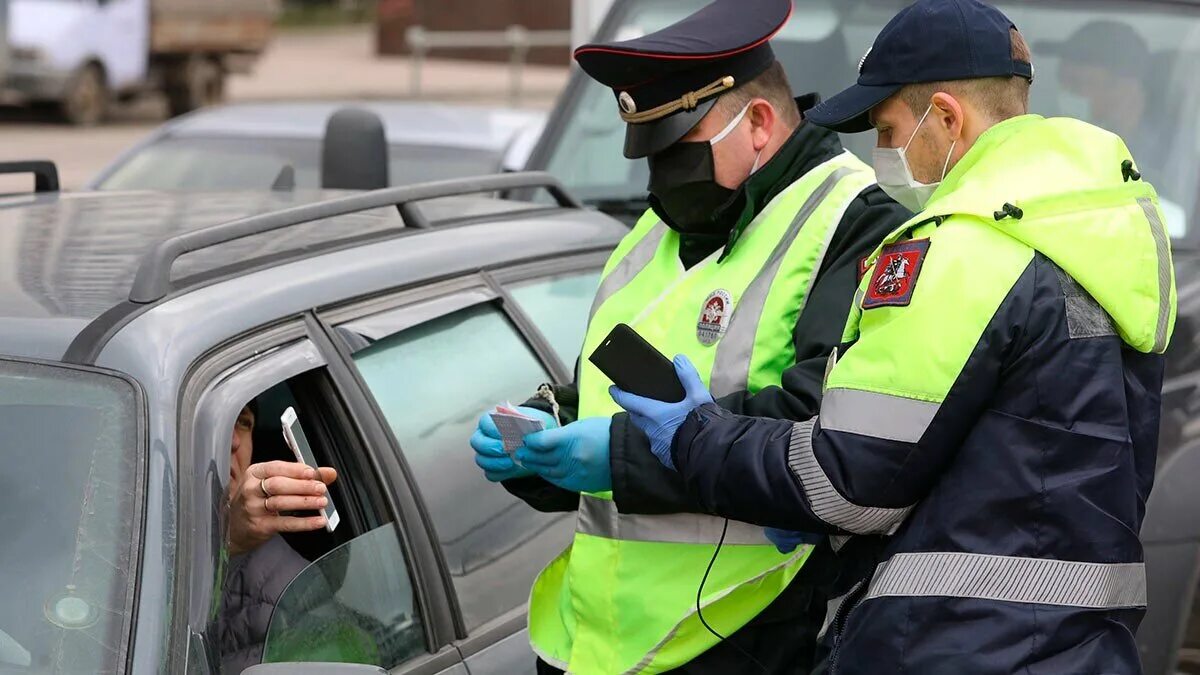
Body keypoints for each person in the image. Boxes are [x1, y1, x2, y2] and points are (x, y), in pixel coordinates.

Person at [612, 0, 1177, 673]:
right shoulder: (1097, 233)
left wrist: (692, 434)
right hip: (1078, 648)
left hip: (952, 647)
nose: (881, 152)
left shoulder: (965, 249)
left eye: (886, 129)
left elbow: (844, 479)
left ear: (945, 116)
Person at [469, 0, 909, 672]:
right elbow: (614, 394)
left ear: (758, 123)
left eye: (679, 148)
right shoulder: (655, 235)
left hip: (749, 638)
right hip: (593, 645)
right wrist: (545, 435)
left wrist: (621, 455)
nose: (663, 176)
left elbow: (823, 430)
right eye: (651, 155)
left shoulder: (854, 226)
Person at [219, 401, 338, 673]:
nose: (235, 440)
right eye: (217, 419)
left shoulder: (296, 589)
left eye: (245, 423)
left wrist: (229, 546)